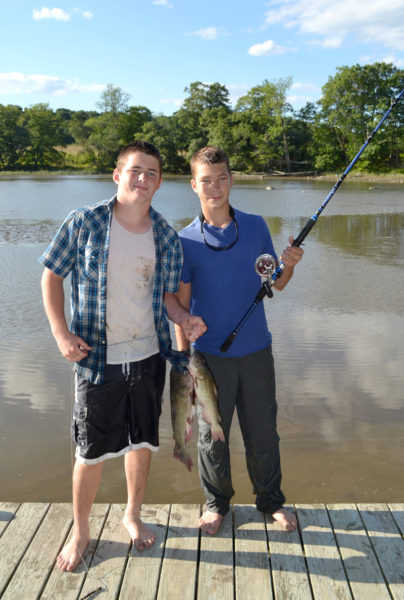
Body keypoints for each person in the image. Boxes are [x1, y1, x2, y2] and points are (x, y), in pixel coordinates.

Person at [39, 140, 206, 571]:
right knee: (89, 451)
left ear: (160, 182)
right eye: (135, 170)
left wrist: (185, 319)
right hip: (95, 357)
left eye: (151, 173)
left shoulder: (167, 235)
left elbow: (169, 299)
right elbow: (51, 276)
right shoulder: (84, 222)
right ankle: (81, 531)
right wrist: (61, 333)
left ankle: (132, 514)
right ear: (118, 175)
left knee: (142, 442)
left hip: (149, 357)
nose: (143, 179)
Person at [174, 146, 303, 534]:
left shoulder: (257, 225)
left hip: (256, 352)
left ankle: (271, 501)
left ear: (232, 179)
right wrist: (184, 363)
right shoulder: (184, 240)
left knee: (263, 432)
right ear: (194, 184)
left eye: (222, 177)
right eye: (206, 180)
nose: (215, 187)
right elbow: (179, 306)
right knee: (213, 440)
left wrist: (290, 265)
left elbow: (275, 281)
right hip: (209, 359)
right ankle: (217, 504)